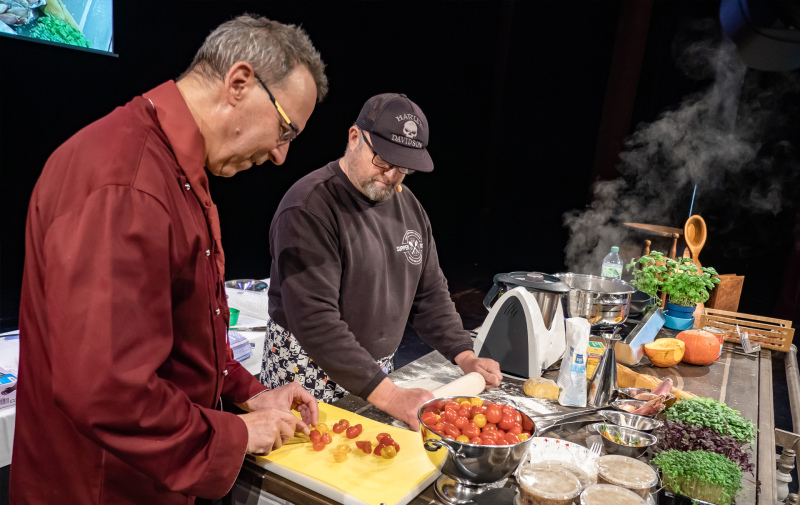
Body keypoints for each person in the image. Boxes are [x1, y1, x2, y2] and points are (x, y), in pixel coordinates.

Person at [12, 15, 328, 505]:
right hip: (100, 489)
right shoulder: (126, 181)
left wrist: (251, 393)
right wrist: (237, 436)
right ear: (239, 83)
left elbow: (185, 339)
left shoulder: (176, 170)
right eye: (286, 129)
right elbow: (106, 389)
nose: (281, 155)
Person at [260, 93, 502, 430]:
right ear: (355, 137)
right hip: (307, 371)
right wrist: (391, 397)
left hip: (375, 375)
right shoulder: (309, 207)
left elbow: (429, 293)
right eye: (382, 160)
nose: (391, 175)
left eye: (403, 167)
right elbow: (316, 321)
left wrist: (465, 355)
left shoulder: (410, 208)